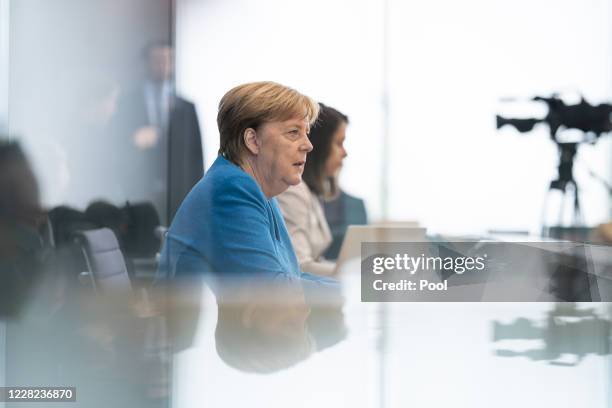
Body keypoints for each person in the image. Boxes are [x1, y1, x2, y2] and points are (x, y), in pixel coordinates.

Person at [158, 81, 339, 290]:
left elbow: (291, 276)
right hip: (192, 322)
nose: (308, 145)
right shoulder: (231, 190)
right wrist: (350, 293)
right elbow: (274, 292)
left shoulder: (258, 189)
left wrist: (352, 289)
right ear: (253, 140)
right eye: (293, 132)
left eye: (306, 132)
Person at [117, 41, 204, 224]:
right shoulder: (126, 103)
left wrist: (198, 195)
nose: (163, 65)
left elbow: (196, 156)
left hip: (177, 190)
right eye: (157, 59)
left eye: (168, 59)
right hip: (138, 190)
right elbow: (114, 148)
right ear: (145, 63)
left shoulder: (186, 107)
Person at [277, 103, 349, 276]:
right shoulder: (293, 190)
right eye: (339, 143)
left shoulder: (310, 192)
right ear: (320, 146)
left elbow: (314, 261)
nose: (345, 153)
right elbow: (299, 266)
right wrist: (353, 275)